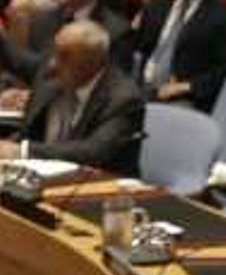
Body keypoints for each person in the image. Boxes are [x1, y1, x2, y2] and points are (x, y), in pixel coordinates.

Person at [14, 20, 145, 171]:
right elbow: (11, 57)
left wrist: (25, 150)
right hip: (42, 178)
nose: (53, 64)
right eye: (54, 52)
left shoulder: (123, 98)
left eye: (65, 56)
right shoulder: (52, 78)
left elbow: (94, 152)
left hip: (102, 185)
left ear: (94, 61)